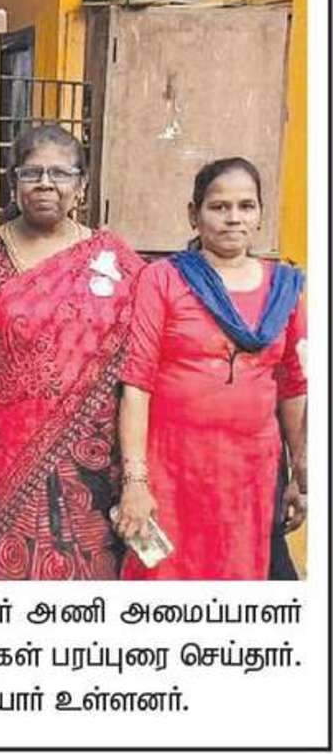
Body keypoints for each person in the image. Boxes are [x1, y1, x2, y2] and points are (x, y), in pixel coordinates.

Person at [0, 125, 145, 580]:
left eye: (60, 174)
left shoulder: (116, 260)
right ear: (13, 182)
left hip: (94, 465)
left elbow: (142, 365)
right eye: (32, 173)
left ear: (81, 185)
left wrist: (137, 475)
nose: (45, 183)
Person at [115, 158, 307, 580]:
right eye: (219, 207)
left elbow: (293, 385)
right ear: (194, 214)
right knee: (166, 582)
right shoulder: (162, 279)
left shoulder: (285, 288)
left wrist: (302, 473)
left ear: (260, 215)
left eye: (246, 206)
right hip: (172, 470)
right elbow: (137, 384)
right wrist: (135, 482)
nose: (233, 218)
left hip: (252, 475)